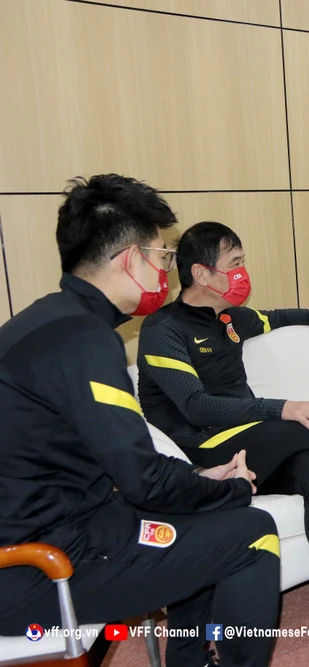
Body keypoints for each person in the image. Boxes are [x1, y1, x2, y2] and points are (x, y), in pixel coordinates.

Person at [0, 175, 278, 667]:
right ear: (132, 259)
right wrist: (233, 489)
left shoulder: (43, 322)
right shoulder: (85, 340)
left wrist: (200, 478)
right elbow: (143, 479)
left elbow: (123, 459)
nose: (166, 273)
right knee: (254, 531)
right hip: (42, 567)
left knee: (206, 515)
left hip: (67, 527)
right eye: (163, 257)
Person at [137, 222, 309, 667]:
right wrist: (281, 408)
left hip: (249, 444)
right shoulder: (162, 329)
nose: (243, 272)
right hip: (205, 452)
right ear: (202, 273)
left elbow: (280, 316)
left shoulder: (228, 317)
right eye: (235, 263)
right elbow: (196, 407)